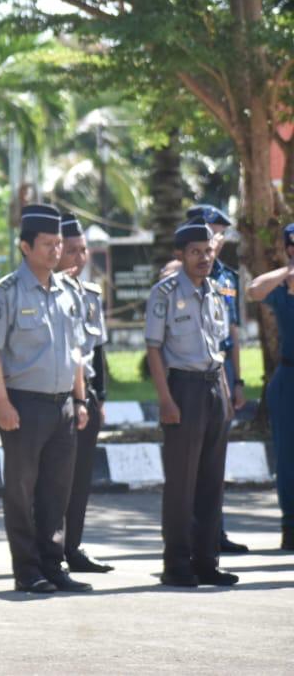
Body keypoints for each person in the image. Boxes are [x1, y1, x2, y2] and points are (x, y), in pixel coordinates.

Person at [0, 203, 91, 595]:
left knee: (56, 492)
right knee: (22, 491)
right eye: (47, 243)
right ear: (25, 246)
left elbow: (75, 350)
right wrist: (1, 402)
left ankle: (53, 563)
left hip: (62, 405)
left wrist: (79, 400)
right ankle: (27, 570)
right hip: (24, 406)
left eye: (59, 243)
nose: (56, 251)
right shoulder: (5, 293)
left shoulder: (67, 292)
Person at [145, 218, 238, 587]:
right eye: (196, 252)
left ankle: (207, 561)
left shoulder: (217, 292)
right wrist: (165, 399)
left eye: (208, 251)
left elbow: (220, 349)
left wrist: (227, 396)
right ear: (180, 255)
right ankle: (177, 563)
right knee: (182, 482)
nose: (204, 258)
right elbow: (153, 349)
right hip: (182, 389)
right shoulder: (164, 293)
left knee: (212, 481)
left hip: (214, 388)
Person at [185, 203, 249, 555]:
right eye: (215, 229)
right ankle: (191, 536)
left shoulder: (227, 277)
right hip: (191, 371)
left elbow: (234, 333)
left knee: (216, 456)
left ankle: (215, 531)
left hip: (221, 369)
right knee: (191, 458)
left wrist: (237, 379)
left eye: (223, 231)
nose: (220, 237)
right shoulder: (183, 274)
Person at [57, 212, 113, 574]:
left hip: (87, 394)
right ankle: (46, 550)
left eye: (84, 250)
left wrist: (101, 398)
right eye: (72, 250)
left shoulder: (91, 295)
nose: (80, 258)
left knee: (80, 478)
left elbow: (97, 351)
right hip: (55, 394)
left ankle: (72, 546)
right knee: (52, 481)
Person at [243, 224, 294, 551]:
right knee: (287, 456)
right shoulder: (281, 285)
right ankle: (290, 524)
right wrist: (288, 271)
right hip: (288, 379)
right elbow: (253, 291)